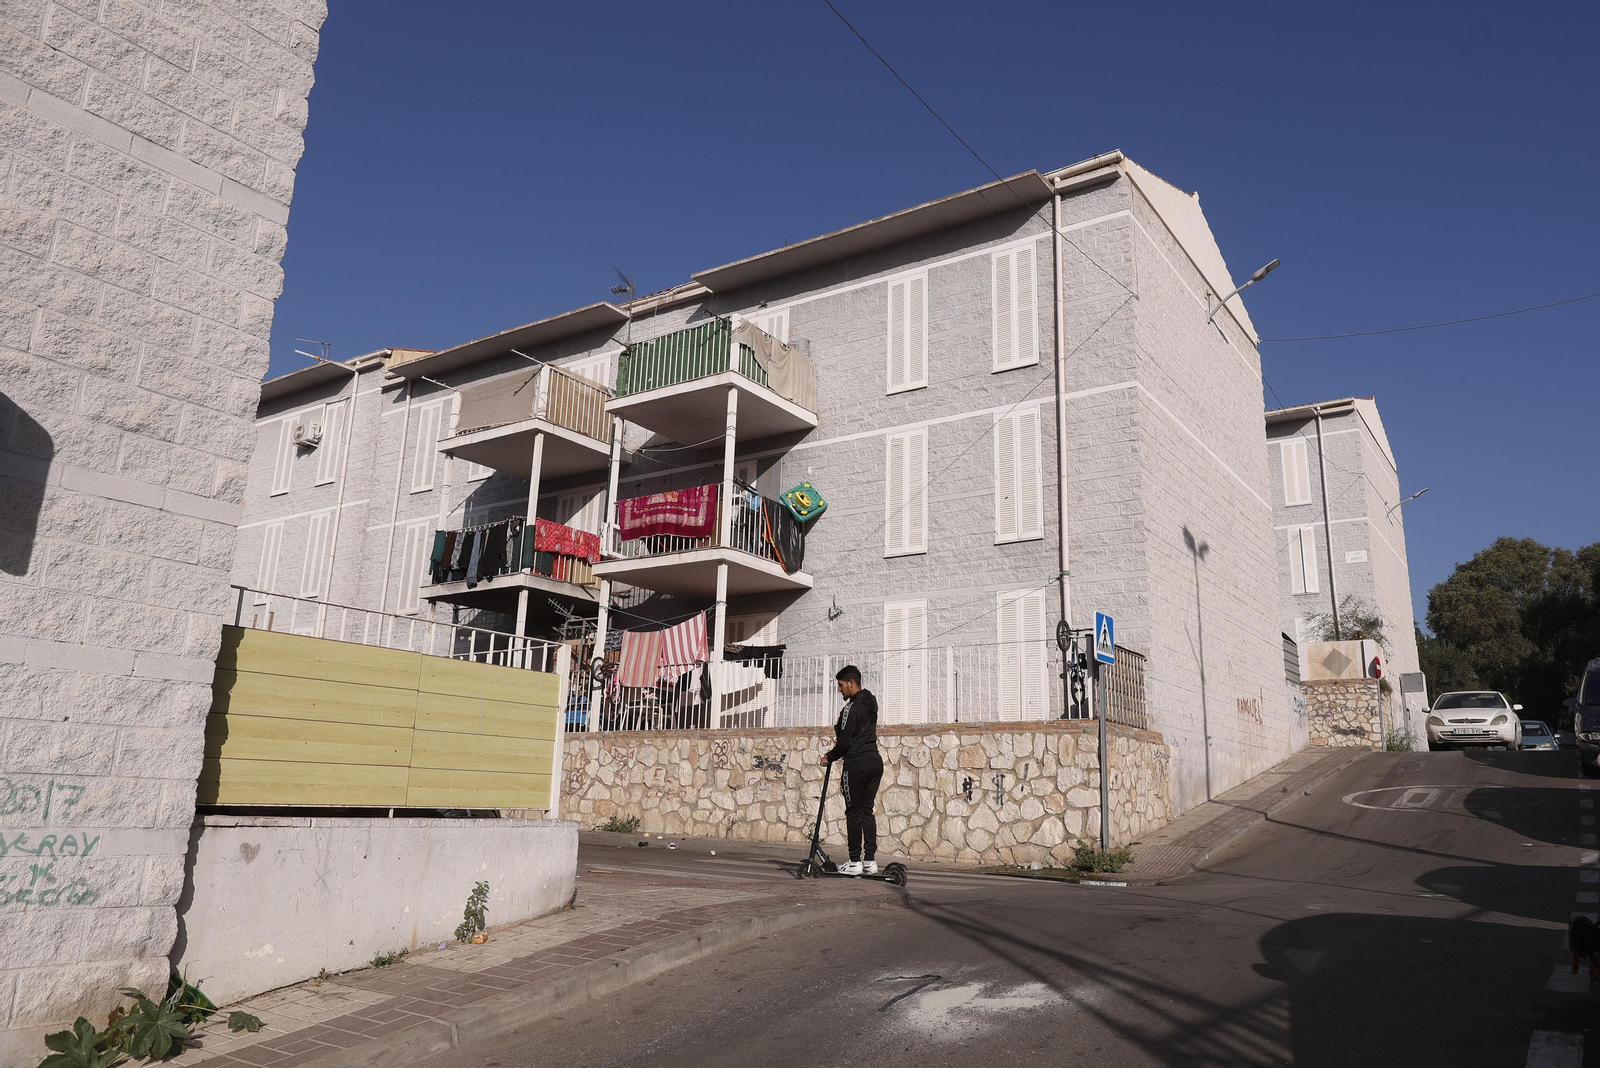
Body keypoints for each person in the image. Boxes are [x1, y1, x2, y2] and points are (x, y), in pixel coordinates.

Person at [825, 665, 883, 875]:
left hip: (857, 764)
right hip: (875, 762)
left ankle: (854, 861)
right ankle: (870, 861)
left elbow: (845, 741)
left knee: (853, 812)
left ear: (851, 682)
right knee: (867, 811)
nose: (839, 690)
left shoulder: (852, 706)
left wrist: (829, 757)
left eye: (841, 685)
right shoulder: (871, 704)